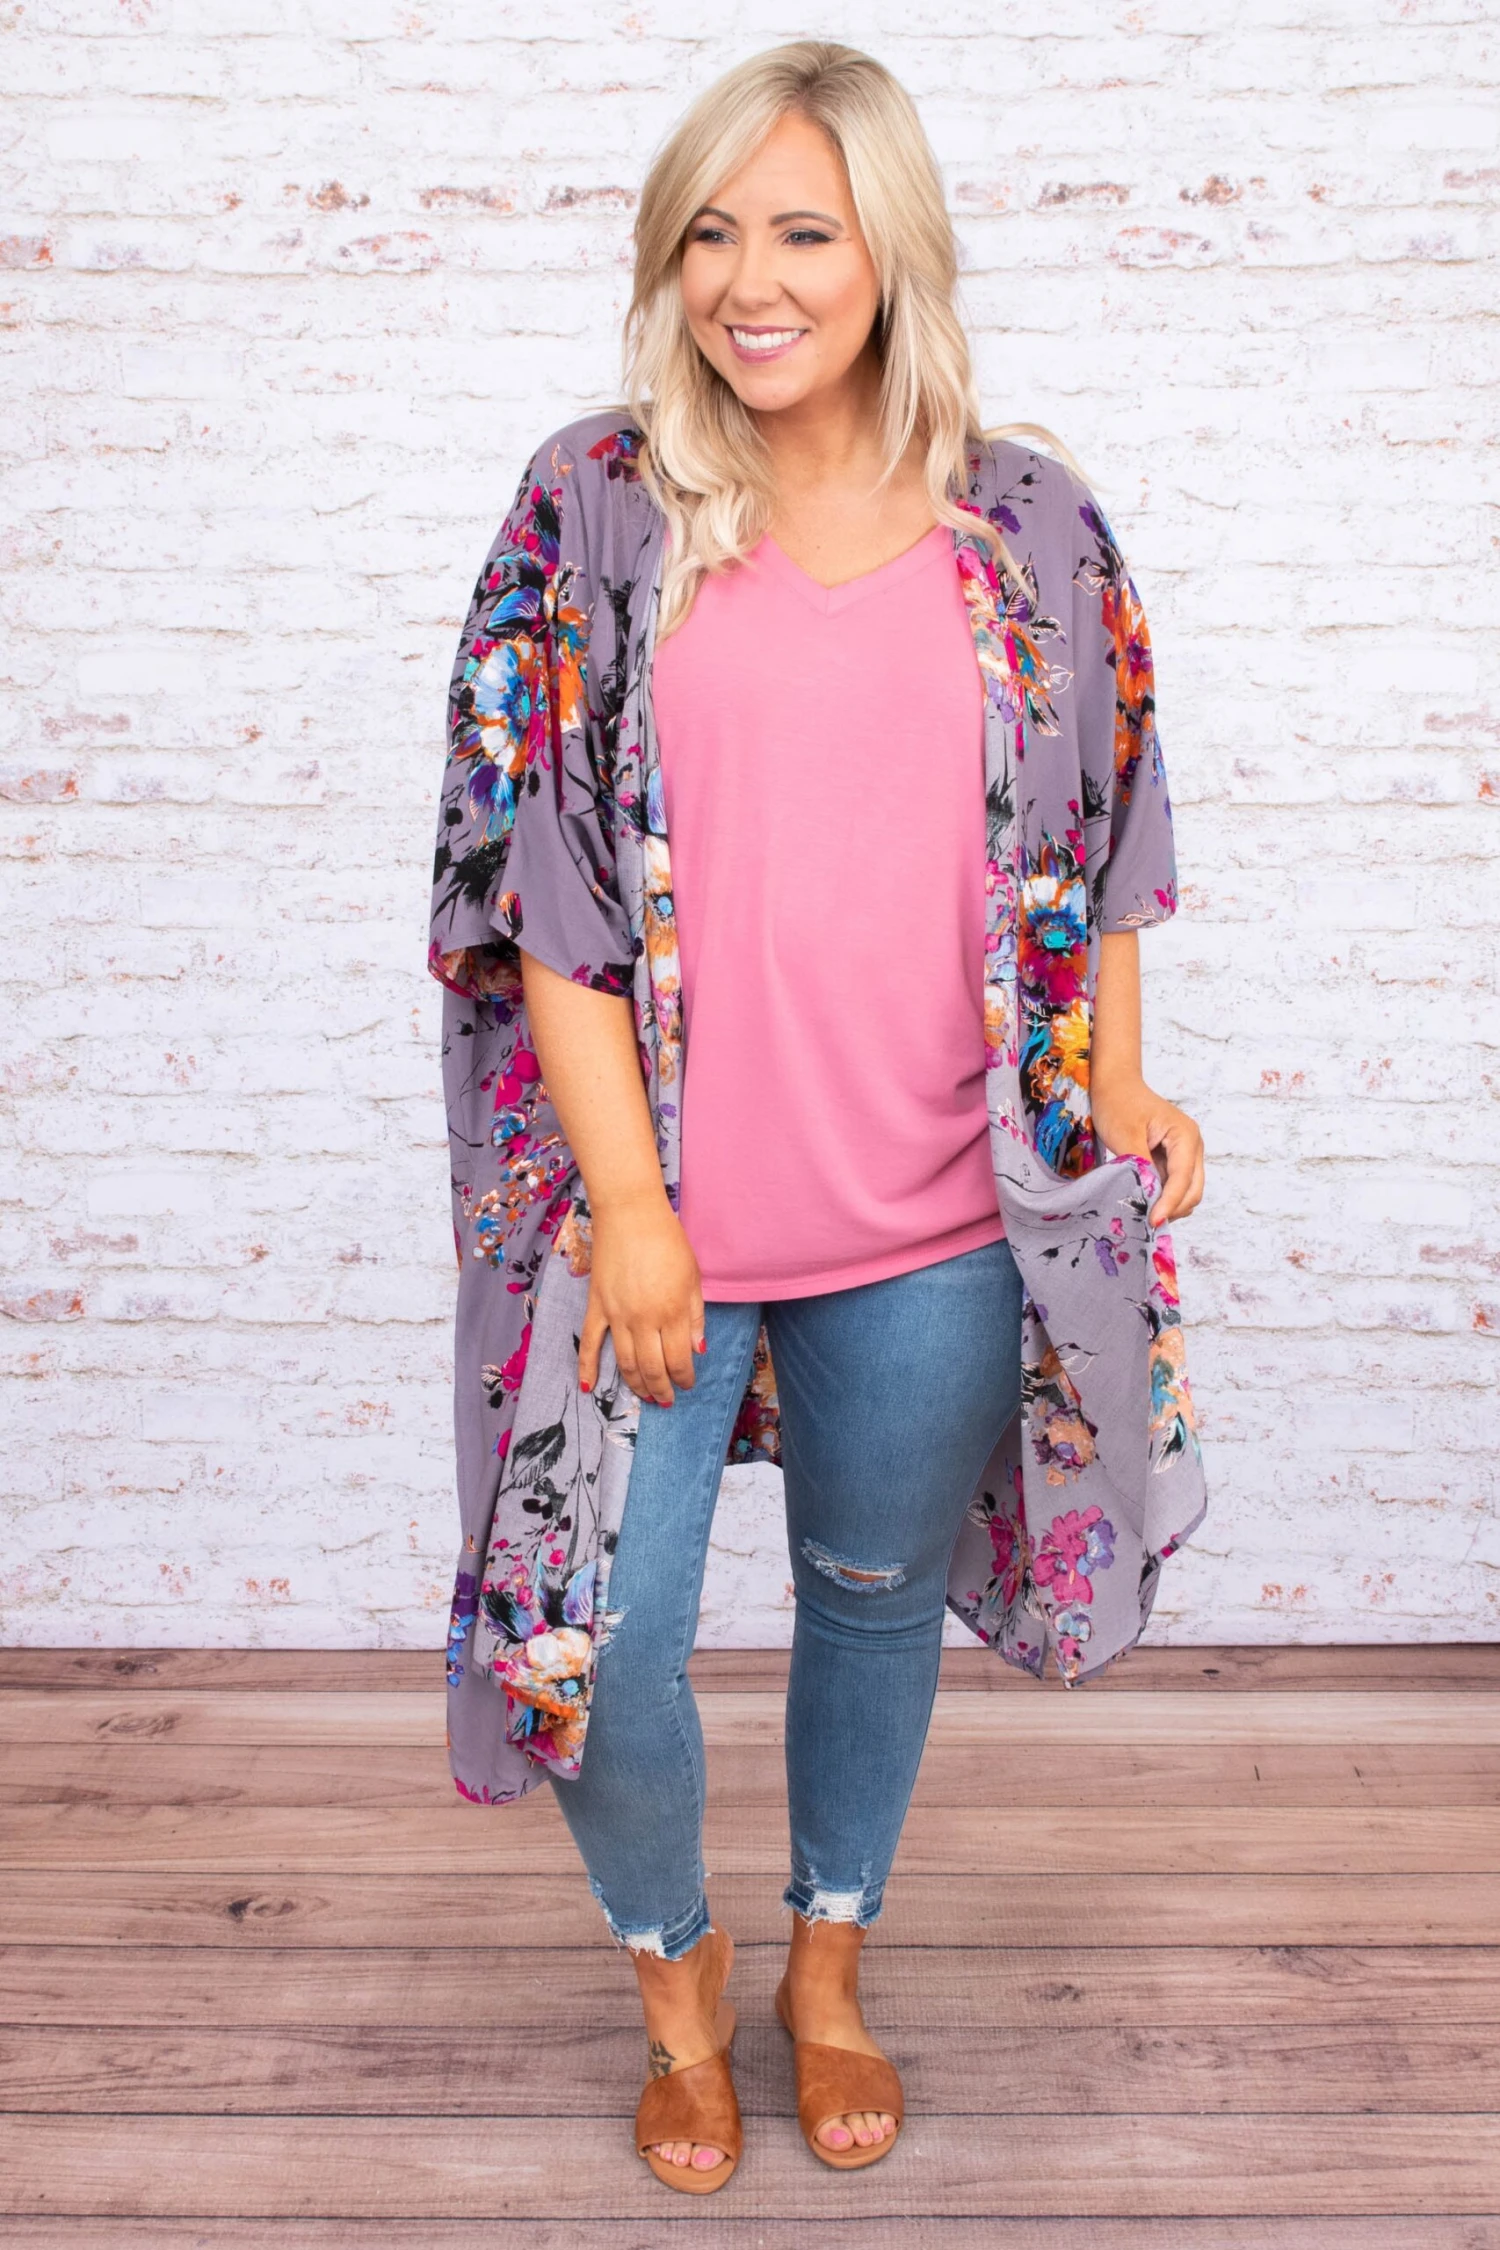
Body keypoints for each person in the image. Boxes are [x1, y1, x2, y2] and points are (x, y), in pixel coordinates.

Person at [428, 40, 1208, 2198]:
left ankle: (828, 1966)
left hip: (942, 1216)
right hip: (654, 1218)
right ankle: (676, 1982)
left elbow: (1105, 841)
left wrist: (1119, 1081)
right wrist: (630, 1209)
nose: (748, 282)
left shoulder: (1030, 525)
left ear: (893, 254)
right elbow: (540, 899)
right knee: (605, 1636)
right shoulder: (597, 508)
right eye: (709, 234)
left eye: (800, 232)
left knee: (871, 1593)